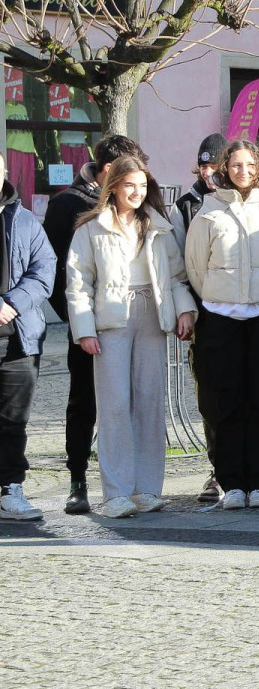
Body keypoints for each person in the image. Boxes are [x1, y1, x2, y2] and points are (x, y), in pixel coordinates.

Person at [65, 154, 197, 518]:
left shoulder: (158, 225)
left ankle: (147, 489)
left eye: (142, 185)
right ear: (114, 187)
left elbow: (176, 276)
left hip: (152, 316)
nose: (136, 192)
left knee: (150, 403)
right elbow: (78, 285)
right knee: (114, 406)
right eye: (129, 185)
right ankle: (116, 493)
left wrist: (185, 310)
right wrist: (85, 330)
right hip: (111, 322)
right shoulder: (90, 228)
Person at [185, 140, 259, 511]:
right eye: (235, 164)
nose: (242, 170)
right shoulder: (208, 212)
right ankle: (231, 481)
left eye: (249, 164)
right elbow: (196, 269)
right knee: (226, 402)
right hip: (221, 320)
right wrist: (222, 298)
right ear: (224, 168)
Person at [42, 135, 129, 514]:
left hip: (128, 323)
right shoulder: (67, 205)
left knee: (130, 401)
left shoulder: (134, 201)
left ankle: (129, 481)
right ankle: (78, 480)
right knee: (83, 403)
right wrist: (79, 323)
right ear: (108, 169)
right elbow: (55, 272)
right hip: (87, 326)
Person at [0, 152, 56, 522]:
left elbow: (44, 270)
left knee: (13, 420)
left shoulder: (24, 221)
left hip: (18, 338)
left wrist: (11, 304)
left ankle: (9, 489)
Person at [175, 131, 225, 504]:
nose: (209, 173)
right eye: (204, 166)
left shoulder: (243, 199)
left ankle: (247, 468)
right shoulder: (186, 205)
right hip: (203, 316)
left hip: (239, 312)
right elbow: (179, 265)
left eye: (215, 166)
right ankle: (218, 469)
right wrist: (186, 309)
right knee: (209, 396)